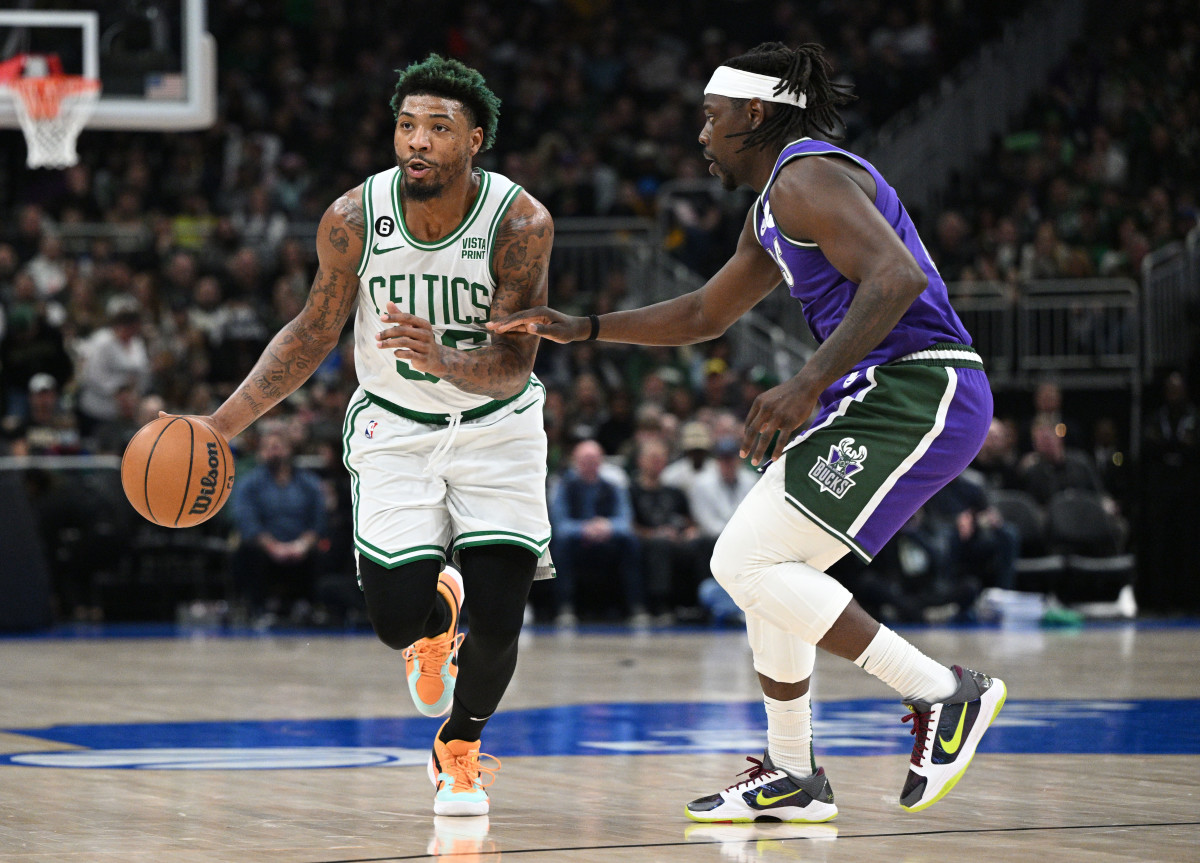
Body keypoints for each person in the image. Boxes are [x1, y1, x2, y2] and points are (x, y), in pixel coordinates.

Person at [491, 41, 1006, 821]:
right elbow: (705, 312)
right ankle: (794, 773)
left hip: (918, 386)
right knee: (768, 566)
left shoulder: (806, 175)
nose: (701, 134)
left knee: (742, 559)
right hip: (882, 391)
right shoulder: (772, 206)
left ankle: (942, 690)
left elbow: (897, 277)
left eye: (711, 116)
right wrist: (584, 327)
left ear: (755, 113)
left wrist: (806, 383)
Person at [170, 55, 553, 817]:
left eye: (438, 128)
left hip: (497, 430)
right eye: (407, 126)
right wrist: (220, 422)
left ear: (475, 139)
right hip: (395, 427)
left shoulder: (520, 223)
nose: (418, 141)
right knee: (392, 621)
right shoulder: (353, 217)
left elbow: (515, 364)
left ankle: (459, 746)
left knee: (502, 618)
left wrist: (443, 357)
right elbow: (312, 332)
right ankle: (433, 618)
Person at [230, 425, 327, 625]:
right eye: (267, 448)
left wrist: (302, 545)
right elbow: (246, 520)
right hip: (265, 546)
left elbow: (318, 519)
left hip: (301, 546)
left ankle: (310, 606)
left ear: (289, 450)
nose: (273, 452)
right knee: (247, 551)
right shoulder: (249, 483)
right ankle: (259, 609)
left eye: (277, 447)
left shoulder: (308, 482)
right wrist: (273, 547)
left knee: (324, 549)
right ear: (260, 453)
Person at [549, 439, 646, 626]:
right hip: (577, 542)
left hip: (607, 540)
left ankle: (636, 607)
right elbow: (560, 525)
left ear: (601, 461)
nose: (589, 464)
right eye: (584, 460)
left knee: (631, 542)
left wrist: (607, 526)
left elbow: (625, 521)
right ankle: (565, 608)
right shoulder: (565, 487)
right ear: (575, 461)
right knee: (560, 545)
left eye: (593, 460)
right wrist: (584, 528)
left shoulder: (613, 487)